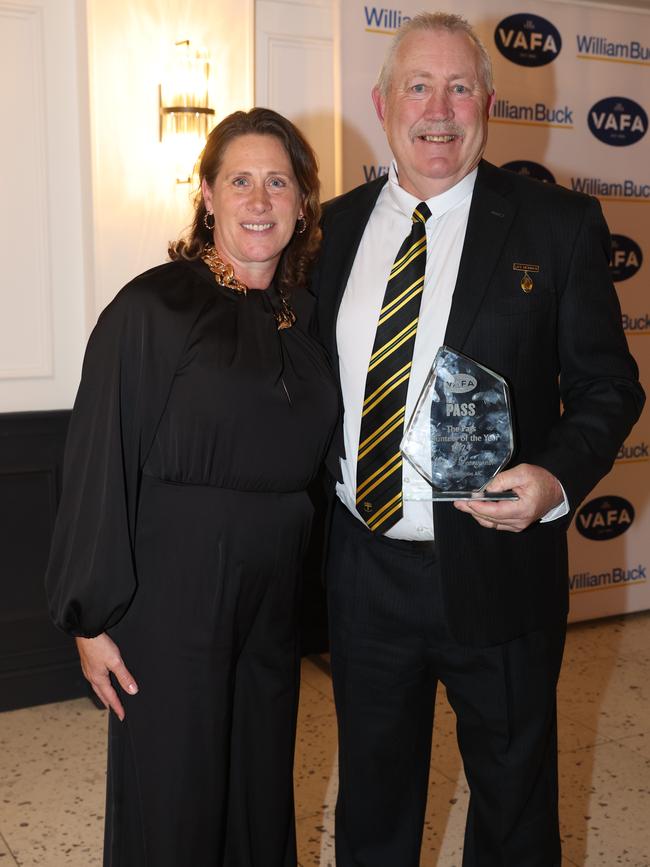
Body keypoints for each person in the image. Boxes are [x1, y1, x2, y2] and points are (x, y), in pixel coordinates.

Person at [310, 12, 644, 867]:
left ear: (489, 103)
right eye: (418, 86)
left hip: (499, 567)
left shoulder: (557, 225)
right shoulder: (333, 231)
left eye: (460, 87)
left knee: (514, 804)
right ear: (382, 102)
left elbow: (610, 387)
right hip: (366, 568)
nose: (440, 108)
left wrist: (554, 481)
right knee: (375, 803)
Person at [45, 107, 337, 867]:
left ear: (304, 203)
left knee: (257, 793)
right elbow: (97, 458)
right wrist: (89, 620)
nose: (259, 198)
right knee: (172, 807)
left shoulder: (303, 320)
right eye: (239, 179)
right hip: (171, 604)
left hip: (270, 609)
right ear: (206, 195)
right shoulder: (155, 306)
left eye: (278, 181)